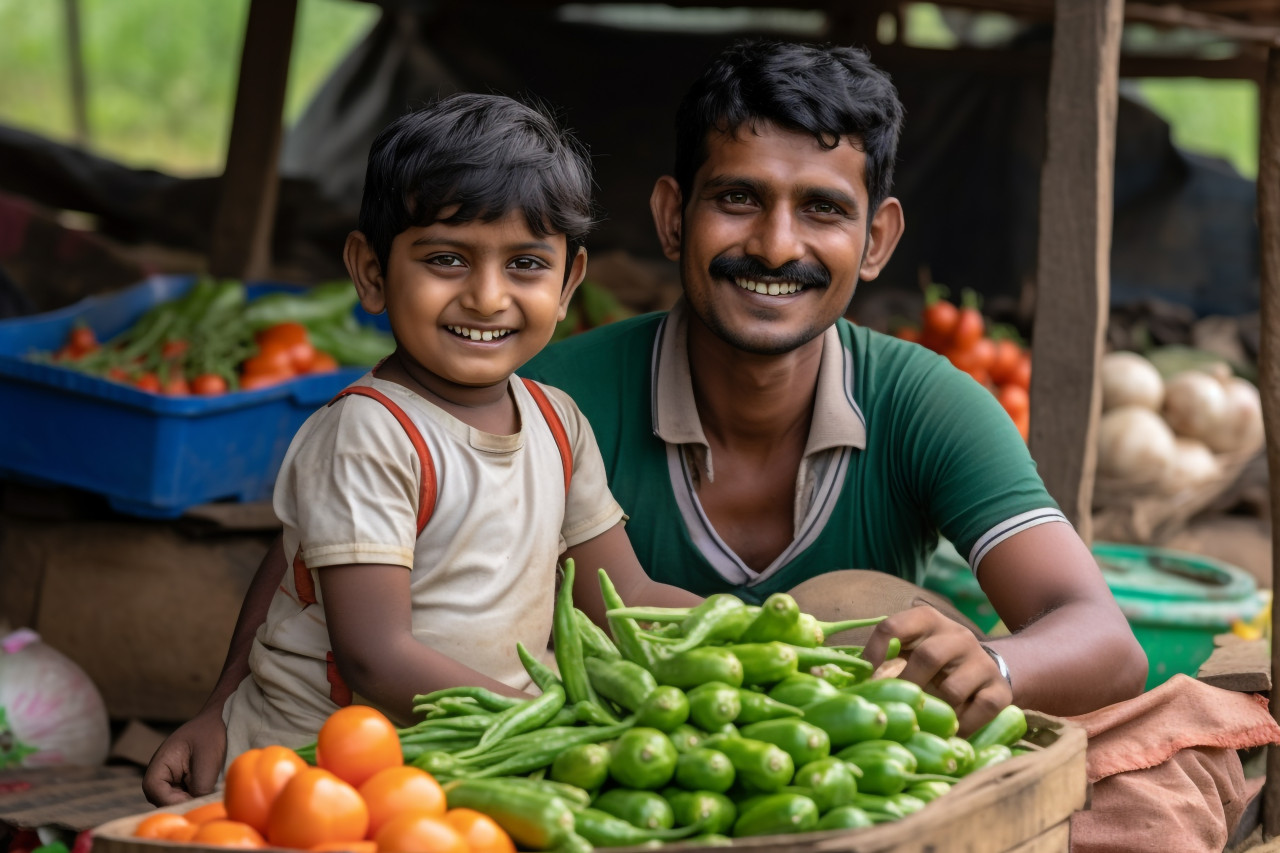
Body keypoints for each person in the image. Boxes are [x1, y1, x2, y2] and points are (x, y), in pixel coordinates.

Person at [144, 41, 1146, 806]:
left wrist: (816, 673)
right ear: (670, 218)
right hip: (394, 764)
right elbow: (321, 555)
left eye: (821, 211)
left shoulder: (919, 403)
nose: (774, 243)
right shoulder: (544, 387)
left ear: (876, 238)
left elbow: (1103, 639)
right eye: (737, 200)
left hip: (491, 761)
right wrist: (223, 697)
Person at [145, 92, 701, 800]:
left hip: (472, 757)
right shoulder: (371, 433)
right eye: (447, 259)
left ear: (569, 285)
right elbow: (378, 658)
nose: (487, 296)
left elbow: (626, 600)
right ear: (372, 272)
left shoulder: (558, 424)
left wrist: (777, 639)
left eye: (527, 264)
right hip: (318, 777)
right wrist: (562, 723)